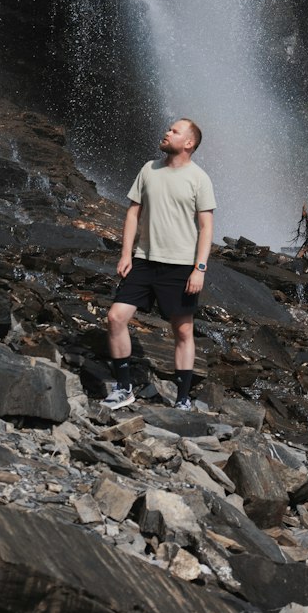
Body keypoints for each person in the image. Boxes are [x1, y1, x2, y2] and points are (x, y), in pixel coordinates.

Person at [105, 117, 215, 412]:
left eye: (175, 131)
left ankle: (182, 399)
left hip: (180, 266)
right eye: (169, 129)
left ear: (189, 143)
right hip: (143, 260)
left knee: (182, 331)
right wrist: (126, 253)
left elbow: (206, 227)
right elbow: (132, 214)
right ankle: (124, 388)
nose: (167, 133)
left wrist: (199, 269)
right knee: (115, 318)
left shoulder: (199, 178)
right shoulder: (148, 170)